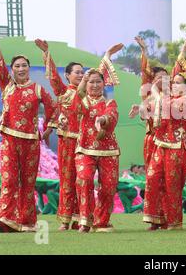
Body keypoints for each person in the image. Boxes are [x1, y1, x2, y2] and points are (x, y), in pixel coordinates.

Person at [0, 20, 58, 233]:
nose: (20, 68)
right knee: (9, 179)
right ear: (12, 70)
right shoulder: (7, 86)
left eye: (24, 65)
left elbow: (52, 106)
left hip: (30, 141)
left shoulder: (37, 89)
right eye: (16, 66)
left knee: (28, 182)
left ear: (29, 68)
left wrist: (48, 129)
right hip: (10, 138)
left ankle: (27, 222)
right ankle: (6, 218)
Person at [142, 39, 186, 230]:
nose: (173, 85)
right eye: (173, 83)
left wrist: (156, 94)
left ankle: (173, 222)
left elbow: (169, 111)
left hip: (176, 147)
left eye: (178, 83)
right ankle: (155, 219)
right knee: (153, 179)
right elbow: (151, 112)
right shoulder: (167, 97)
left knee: (172, 185)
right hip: (160, 144)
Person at [35, 39, 85, 231]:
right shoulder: (63, 92)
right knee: (67, 180)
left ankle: (82, 218)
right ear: (68, 76)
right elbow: (53, 77)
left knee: (82, 180)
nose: (80, 75)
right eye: (77, 72)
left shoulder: (89, 94)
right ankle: (65, 220)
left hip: (84, 144)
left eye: (82, 72)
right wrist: (47, 53)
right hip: (66, 142)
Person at [74, 47, 121, 233]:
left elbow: (112, 116)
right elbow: (77, 101)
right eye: (91, 82)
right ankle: (85, 220)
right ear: (85, 85)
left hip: (108, 150)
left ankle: (101, 222)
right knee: (84, 179)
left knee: (108, 187)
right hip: (85, 149)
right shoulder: (82, 101)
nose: (94, 85)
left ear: (103, 84)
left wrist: (102, 120)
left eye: (98, 82)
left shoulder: (110, 103)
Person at [128, 36, 168, 230]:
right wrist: (144, 51)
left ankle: (168, 217)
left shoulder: (174, 98)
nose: (161, 79)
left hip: (170, 144)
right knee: (152, 179)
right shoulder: (148, 95)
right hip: (152, 140)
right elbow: (144, 72)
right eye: (157, 77)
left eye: (165, 77)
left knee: (167, 181)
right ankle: (153, 218)